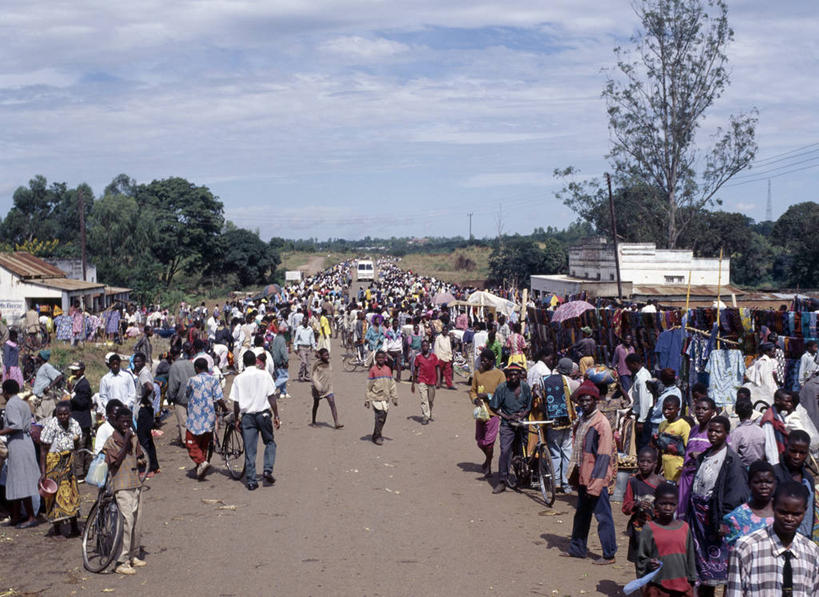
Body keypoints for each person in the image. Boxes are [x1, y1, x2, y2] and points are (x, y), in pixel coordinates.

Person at [689, 416, 749, 595]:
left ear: (726, 434)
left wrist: (724, 519)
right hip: (699, 520)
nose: (713, 434)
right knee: (701, 567)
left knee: (720, 567)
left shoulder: (731, 461)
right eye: (711, 430)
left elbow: (736, 494)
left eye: (718, 431)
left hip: (716, 519)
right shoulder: (705, 456)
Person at [727, 481, 819, 596]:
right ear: (773, 506)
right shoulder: (746, 548)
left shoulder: (812, 552)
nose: (789, 518)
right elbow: (734, 592)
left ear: (805, 511)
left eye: (796, 514)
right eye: (783, 512)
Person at [564, 379, 617, 564]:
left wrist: (596, 483)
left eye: (589, 400)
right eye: (582, 400)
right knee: (582, 514)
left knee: (603, 516)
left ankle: (609, 554)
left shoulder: (601, 423)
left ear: (596, 401)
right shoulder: (583, 419)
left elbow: (604, 456)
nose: (585, 403)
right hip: (583, 475)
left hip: (597, 478)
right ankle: (577, 549)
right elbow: (572, 397)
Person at [103, 407, 147, 575]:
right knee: (127, 522)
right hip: (121, 485)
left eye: (128, 421)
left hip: (135, 483)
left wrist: (140, 460)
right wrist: (127, 440)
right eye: (123, 422)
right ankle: (121, 560)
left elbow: (139, 455)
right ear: (116, 422)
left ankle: (133, 554)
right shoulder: (111, 442)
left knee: (137, 521)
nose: (126, 424)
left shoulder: (134, 438)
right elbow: (115, 463)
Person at [635, 482, 697, 597]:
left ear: (677, 504)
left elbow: (690, 558)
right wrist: (649, 564)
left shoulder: (684, 527)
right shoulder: (649, 529)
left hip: (682, 586)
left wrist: (692, 581)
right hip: (658, 585)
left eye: (672, 504)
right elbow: (641, 559)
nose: (668, 508)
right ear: (655, 504)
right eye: (663, 503)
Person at [231, 351, 280, 491]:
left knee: (250, 449)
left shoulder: (238, 379)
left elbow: (236, 402)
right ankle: (267, 469)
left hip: (247, 417)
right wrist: (276, 415)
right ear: (255, 361)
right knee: (270, 442)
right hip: (263, 415)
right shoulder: (264, 375)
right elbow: (271, 397)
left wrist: (237, 418)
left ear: (244, 363)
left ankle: (251, 481)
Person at [0, 380, 40, 528]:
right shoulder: (23, 403)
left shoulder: (11, 404)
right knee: (16, 481)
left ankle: (31, 516)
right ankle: (16, 515)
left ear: (5, 392)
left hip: (18, 444)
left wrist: (1, 432)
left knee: (22, 481)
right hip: (25, 442)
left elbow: (15, 425)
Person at [535, 357, 579, 492]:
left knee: (554, 452)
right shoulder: (573, 383)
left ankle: (556, 482)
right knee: (567, 451)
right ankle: (566, 483)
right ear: (570, 370)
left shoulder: (545, 380)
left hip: (552, 421)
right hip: (568, 421)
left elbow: (538, 396)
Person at [39, 401, 81, 537]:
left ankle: (74, 526)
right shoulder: (51, 426)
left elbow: (76, 444)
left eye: (65, 414)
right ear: (56, 414)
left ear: (70, 413)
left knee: (72, 493)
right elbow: (43, 451)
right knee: (55, 495)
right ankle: (57, 529)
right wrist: (43, 472)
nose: (63, 416)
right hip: (54, 463)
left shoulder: (74, 424)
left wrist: (75, 442)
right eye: (60, 414)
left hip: (69, 462)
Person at [488, 363, 533, 494]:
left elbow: (529, 405)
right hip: (507, 424)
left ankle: (521, 476)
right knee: (505, 451)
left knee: (522, 451)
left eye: (515, 374)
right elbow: (494, 406)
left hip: (522, 423)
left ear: (520, 375)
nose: (513, 377)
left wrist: (523, 414)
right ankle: (502, 481)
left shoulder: (525, 387)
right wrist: (507, 416)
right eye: (511, 374)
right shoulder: (502, 388)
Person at [184, 357, 226, 479]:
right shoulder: (213, 380)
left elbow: (187, 394)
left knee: (191, 442)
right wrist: (225, 408)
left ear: (196, 368)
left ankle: (201, 462)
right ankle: (200, 466)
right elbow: (219, 398)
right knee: (204, 443)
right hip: (209, 416)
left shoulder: (192, 380)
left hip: (195, 417)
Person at [677, 393, 717, 519]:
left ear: (712, 412)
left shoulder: (715, 432)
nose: (700, 412)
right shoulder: (693, 430)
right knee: (683, 512)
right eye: (698, 408)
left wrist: (700, 455)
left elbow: (721, 455)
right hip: (687, 477)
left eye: (705, 409)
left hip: (703, 480)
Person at [470, 349, 507, 479]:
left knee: (489, 443)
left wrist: (488, 396)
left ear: (492, 361)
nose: (482, 363)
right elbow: (472, 391)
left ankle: (488, 467)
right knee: (480, 441)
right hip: (481, 412)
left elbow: (503, 394)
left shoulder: (500, 375)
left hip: (493, 413)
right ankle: (487, 459)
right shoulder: (477, 374)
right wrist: (475, 399)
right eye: (481, 361)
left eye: (485, 361)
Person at [622, 446, 663, 564]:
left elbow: (667, 507)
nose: (645, 464)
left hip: (656, 530)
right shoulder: (633, 482)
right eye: (642, 461)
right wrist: (637, 504)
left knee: (654, 561)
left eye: (648, 462)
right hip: (638, 528)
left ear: (655, 464)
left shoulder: (661, 484)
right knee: (639, 561)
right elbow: (625, 507)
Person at [772, 430, 816, 540]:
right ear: (786, 447)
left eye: (802, 453)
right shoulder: (774, 474)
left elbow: (810, 511)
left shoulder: (808, 479)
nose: (797, 456)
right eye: (793, 451)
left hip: (804, 539)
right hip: (778, 538)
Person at [723, 460, 776, 547]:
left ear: (775, 483)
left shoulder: (784, 510)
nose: (764, 486)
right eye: (757, 482)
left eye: (768, 482)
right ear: (749, 484)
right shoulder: (737, 517)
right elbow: (733, 550)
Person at [133, 353, 159, 477]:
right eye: (135, 362)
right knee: (148, 439)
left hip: (144, 410)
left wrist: (144, 399)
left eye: (138, 361)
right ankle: (154, 466)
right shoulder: (146, 373)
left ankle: (147, 469)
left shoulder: (143, 374)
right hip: (147, 409)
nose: (136, 364)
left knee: (143, 440)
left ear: (143, 362)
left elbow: (149, 388)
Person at [365, 350, 398, 446]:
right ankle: (377, 437)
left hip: (385, 398)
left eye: (382, 358)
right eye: (378, 358)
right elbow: (368, 386)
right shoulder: (373, 370)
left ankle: (376, 433)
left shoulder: (388, 369)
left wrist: (394, 397)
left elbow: (392, 384)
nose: (380, 359)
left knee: (383, 418)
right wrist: (367, 399)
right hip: (376, 398)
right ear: (376, 359)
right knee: (380, 416)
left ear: (385, 359)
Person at [67, 361, 93, 478]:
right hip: (82, 420)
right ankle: (87, 469)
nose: (73, 372)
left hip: (81, 421)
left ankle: (80, 473)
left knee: (80, 447)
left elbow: (82, 403)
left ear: (82, 371)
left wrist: (72, 393)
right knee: (85, 447)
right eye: (72, 370)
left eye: (76, 370)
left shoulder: (84, 385)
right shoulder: (78, 383)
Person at [656, 394, 690, 482]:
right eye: (664, 408)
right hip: (665, 469)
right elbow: (660, 450)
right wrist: (657, 469)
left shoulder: (683, 425)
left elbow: (688, 449)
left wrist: (684, 470)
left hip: (678, 469)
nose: (666, 412)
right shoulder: (662, 425)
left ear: (678, 409)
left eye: (670, 409)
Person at [167, 347, 196, 446]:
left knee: (183, 421)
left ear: (171, 355)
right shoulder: (190, 363)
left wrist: (170, 397)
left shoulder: (174, 366)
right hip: (192, 396)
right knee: (192, 419)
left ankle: (185, 441)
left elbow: (173, 385)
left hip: (180, 397)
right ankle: (192, 439)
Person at [729, 392, 766, 467]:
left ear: (736, 412)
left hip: (743, 469)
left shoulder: (736, 433)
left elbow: (732, 455)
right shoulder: (761, 431)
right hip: (759, 467)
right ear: (752, 412)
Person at [626, 352, 652, 450]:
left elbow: (644, 400)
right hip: (641, 413)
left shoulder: (642, 379)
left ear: (634, 364)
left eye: (629, 366)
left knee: (642, 442)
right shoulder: (641, 374)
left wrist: (641, 420)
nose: (628, 368)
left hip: (644, 416)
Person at [310, 348, 342, 429]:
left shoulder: (329, 363)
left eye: (327, 355)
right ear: (320, 356)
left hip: (328, 388)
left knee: (332, 404)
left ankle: (337, 423)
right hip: (318, 389)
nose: (327, 356)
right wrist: (317, 386)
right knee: (316, 404)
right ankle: (313, 421)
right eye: (325, 355)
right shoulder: (317, 364)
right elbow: (314, 376)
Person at [761, 389, 793, 464]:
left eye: (790, 401)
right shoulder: (769, 419)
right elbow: (770, 446)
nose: (790, 404)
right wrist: (775, 465)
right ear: (777, 401)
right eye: (787, 401)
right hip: (776, 461)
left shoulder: (778, 414)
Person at [412, 340, 439, 425]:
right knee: (424, 400)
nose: (425, 347)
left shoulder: (434, 357)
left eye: (426, 346)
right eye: (423, 346)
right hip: (422, 380)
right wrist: (413, 383)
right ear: (421, 347)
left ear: (429, 347)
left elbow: (437, 368)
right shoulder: (418, 357)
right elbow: (415, 370)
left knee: (430, 400)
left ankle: (429, 412)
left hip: (432, 381)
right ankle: (425, 416)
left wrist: (438, 380)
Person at [32, 349, 63, 420]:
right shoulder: (42, 367)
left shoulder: (47, 367)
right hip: (39, 399)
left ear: (41, 358)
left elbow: (59, 376)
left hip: (45, 399)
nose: (36, 358)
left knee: (45, 419)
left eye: (38, 356)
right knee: (38, 419)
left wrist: (49, 387)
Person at [294, 317, 317, 382]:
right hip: (301, 347)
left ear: (307, 322)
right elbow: (296, 338)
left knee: (308, 363)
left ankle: (307, 376)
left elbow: (312, 338)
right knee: (303, 362)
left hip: (308, 347)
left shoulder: (310, 329)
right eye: (303, 321)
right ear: (302, 321)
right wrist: (295, 347)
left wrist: (314, 347)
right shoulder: (299, 329)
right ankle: (300, 375)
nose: (304, 322)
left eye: (306, 321)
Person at [270, 329, 290, 398]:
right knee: (284, 376)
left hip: (275, 361)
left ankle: (283, 392)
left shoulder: (275, 339)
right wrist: (286, 360)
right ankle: (272, 388)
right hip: (281, 361)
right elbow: (283, 351)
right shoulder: (282, 340)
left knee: (280, 376)